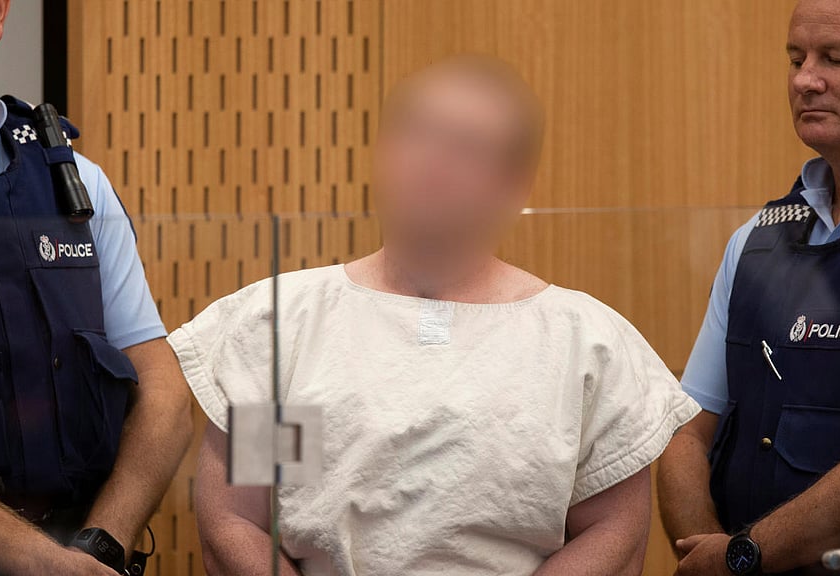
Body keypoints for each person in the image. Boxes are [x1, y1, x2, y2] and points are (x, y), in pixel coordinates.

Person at [169, 55, 700, 576]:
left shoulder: (583, 342)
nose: (432, 164)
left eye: (464, 148)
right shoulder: (287, 326)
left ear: (515, 185)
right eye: (415, 136)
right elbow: (241, 521)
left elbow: (612, 534)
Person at [658, 0, 840, 574]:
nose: (805, 79)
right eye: (796, 58)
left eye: (836, 58)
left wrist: (744, 557)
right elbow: (684, 432)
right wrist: (706, 553)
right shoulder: (754, 240)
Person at [0, 1, 193, 575]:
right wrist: (45, 564)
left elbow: (164, 394)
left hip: (84, 547)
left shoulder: (74, 184)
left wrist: (99, 547)